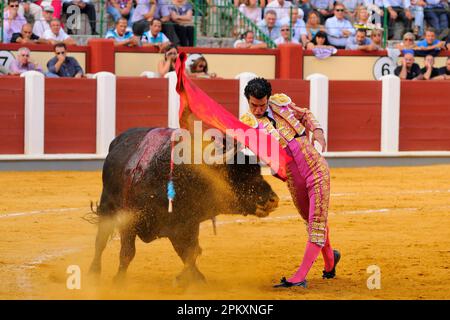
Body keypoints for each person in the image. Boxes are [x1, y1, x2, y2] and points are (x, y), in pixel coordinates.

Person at [240, 78, 340, 288]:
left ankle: (299, 277)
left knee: (317, 223)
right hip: (294, 180)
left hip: (316, 169)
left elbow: (305, 114)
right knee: (311, 220)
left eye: (262, 104)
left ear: (268, 99)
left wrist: (318, 131)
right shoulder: (248, 125)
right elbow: (252, 152)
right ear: (247, 101)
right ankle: (330, 262)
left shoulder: (280, 103)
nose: (258, 110)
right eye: (253, 105)